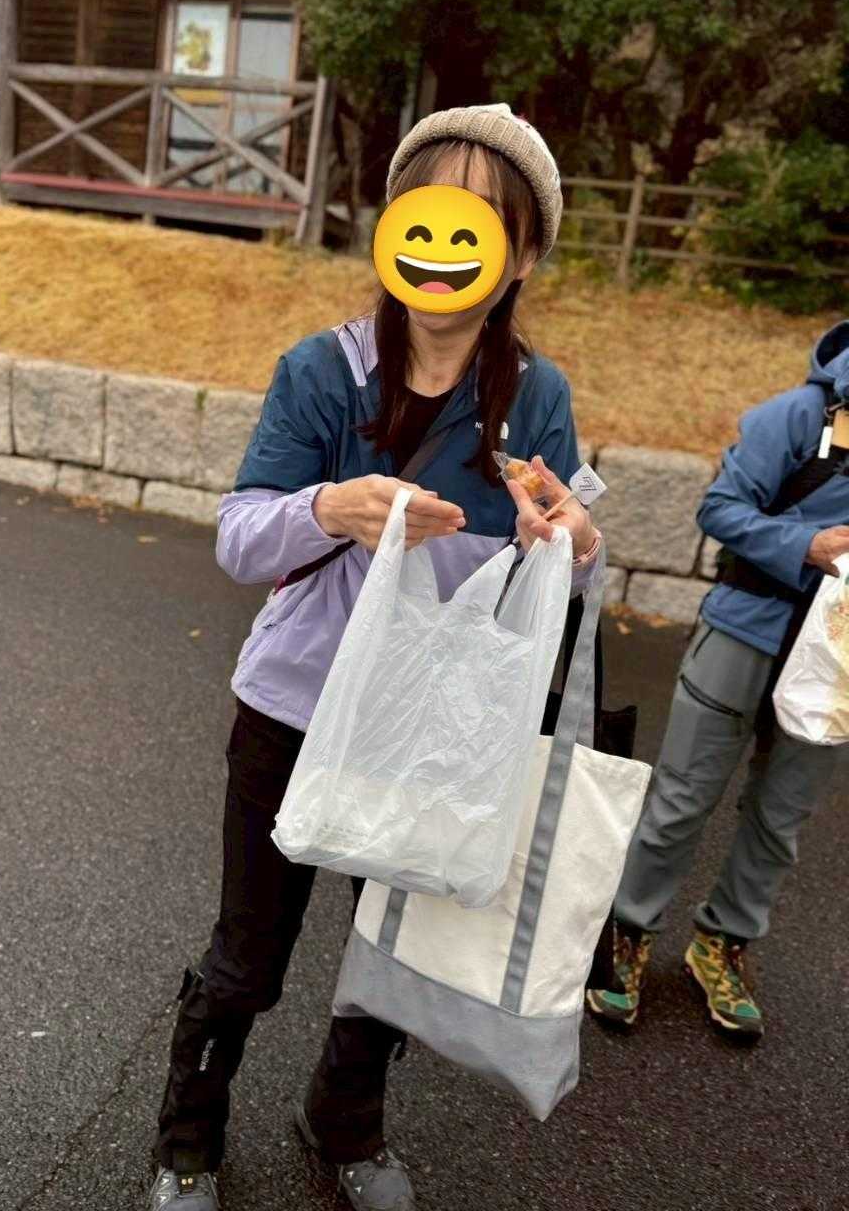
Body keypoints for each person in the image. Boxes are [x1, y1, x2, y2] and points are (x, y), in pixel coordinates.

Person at [147, 104, 602, 1211]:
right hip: (294, 713)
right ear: (393, 229)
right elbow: (239, 537)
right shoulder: (322, 372)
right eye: (427, 214)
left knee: (391, 952)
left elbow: (559, 565)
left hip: (430, 733)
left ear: (521, 256)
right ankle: (187, 1139)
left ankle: (343, 1122)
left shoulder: (535, 395)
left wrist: (570, 543)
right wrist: (327, 508)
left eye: (480, 224)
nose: (445, 245)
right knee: (248, 955)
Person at [588, 319, 849, 1040]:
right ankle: (627, 934)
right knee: (682, 799)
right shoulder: (797, 417)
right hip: (747, 629)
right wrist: (807, 544)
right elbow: (719, 509)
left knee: (781, 817)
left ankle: (722, 943)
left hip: (838, 659)